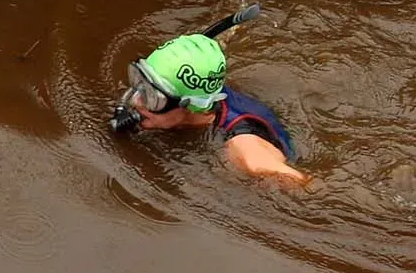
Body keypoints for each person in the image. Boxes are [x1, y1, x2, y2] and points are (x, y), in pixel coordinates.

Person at [112, 33, 307, 186]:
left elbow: (304, 185)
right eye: (139, 81)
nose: (137, 100)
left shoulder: (243, 151)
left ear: (192, 105)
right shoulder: (198, 101)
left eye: (154, 97)